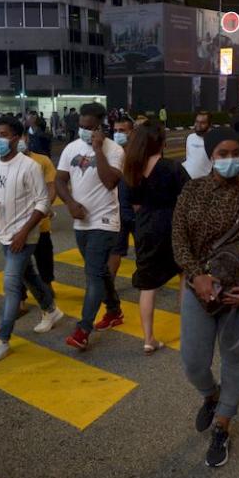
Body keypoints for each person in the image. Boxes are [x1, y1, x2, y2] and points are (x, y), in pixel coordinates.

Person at [172, 127, 239, 467]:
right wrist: (196, 276)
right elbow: (179, 240)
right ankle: (211, 395)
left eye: (235, 153)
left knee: (234, 360)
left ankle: (222, 426)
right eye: (223, 154)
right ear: (211, 156)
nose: (230, 159)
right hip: (198, 290)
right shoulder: (192, 191)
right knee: (194, 362)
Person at [0, 117, 64, 363]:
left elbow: (43, 202)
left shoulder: (29, 167)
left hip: (25, 236)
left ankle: (2, 340)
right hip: (4, 232)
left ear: (16, 138)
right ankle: (51, 309)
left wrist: (24, 232)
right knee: (29, 276)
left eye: (4, 134)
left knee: (12, 284)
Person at [56, 102, 126, 351]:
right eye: (81, 127)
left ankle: (83, 329)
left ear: (100, 126)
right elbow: (60, 181)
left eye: (89, 127)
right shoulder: (70, 149)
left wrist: (98, 150)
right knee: (99, 271)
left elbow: (110, 182)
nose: (84, 131)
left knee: (93, 274)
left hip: (105, 221)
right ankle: (115, 310)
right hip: (81, 222)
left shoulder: (115, 150)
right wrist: (70, 203)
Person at [124, 121, 188, 353]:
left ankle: (148, 339)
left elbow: (135, 204)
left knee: (148, 284)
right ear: (161, 143)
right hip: (172, 224)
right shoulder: (171, 167)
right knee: (184, 274)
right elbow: (188, 197)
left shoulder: (132, 169)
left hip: (145, 226)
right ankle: (187, 329)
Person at [20, 136, 59, 297]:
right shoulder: (2, 162)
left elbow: (52, 186)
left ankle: (47, 284)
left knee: (44, 256)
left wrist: (45, 207)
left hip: (40, 221)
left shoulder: (42, 160)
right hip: (16, 224)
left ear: (25, 138)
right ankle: (20, 297)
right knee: (18, 264)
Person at [108, 116, 136, 280]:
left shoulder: (139, 154)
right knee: (115, 250)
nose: (118, 134)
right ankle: (109, 286)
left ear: (131, 132)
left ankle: (145, 284)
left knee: (143, 250)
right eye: (115, 131)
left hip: (137, 210)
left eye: (122, 131)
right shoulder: (110, 153)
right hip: (116, 210)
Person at [183, 111, 213, 179]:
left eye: (202, 123)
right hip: (188, 181)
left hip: (205, 182)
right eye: (197, 122)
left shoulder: (213, 140)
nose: (198, 125)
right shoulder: (190, 137)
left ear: (210, 124)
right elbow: (189, 158)